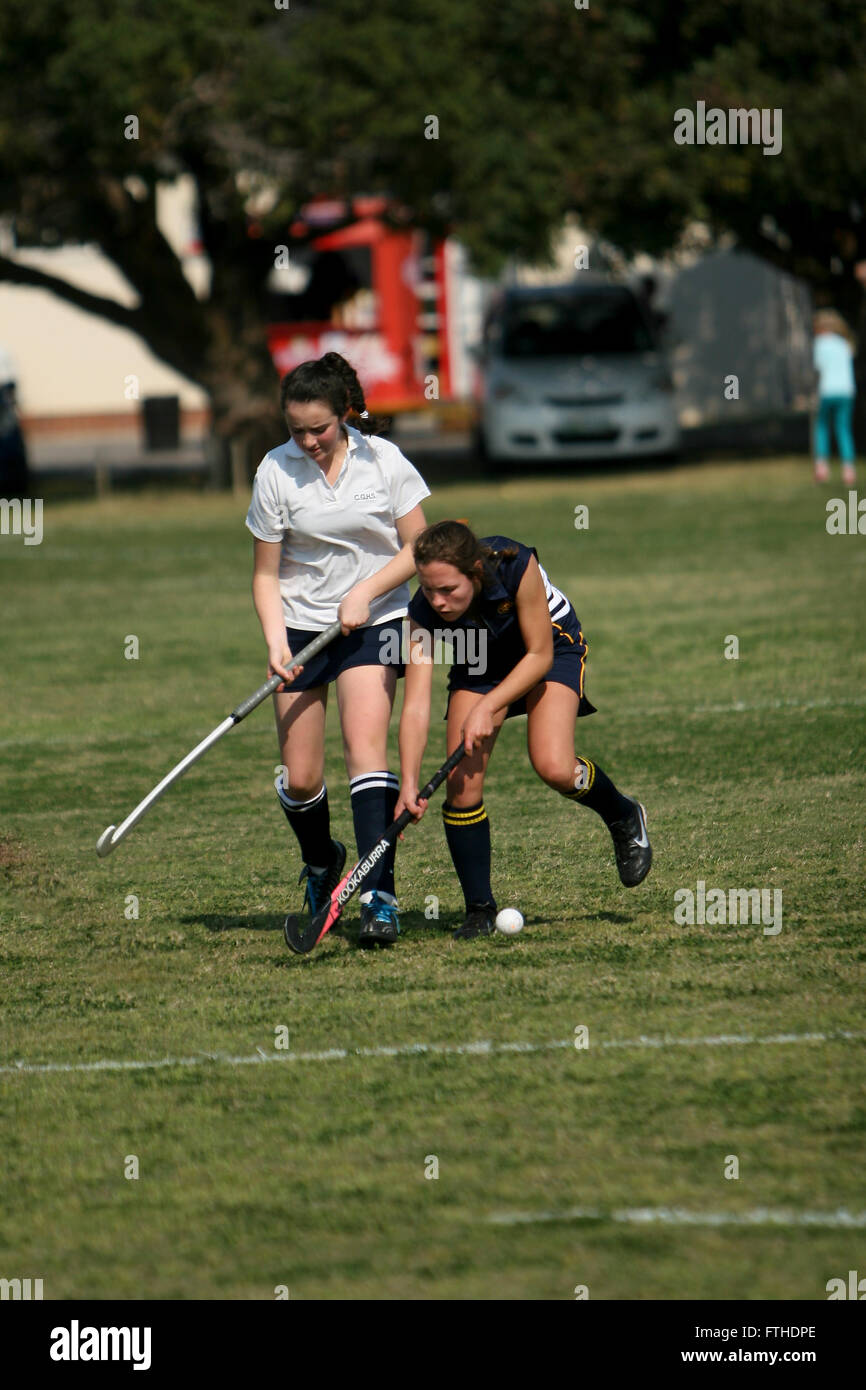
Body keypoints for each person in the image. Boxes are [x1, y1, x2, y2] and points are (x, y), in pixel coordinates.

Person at [245, 352, 430, 946]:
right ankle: (323, 860)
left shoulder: (383, 461)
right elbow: (266, 575)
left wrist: (367, 591)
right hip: (301, 628)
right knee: (300, 778)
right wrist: (277, 642)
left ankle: (379, 897)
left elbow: (419, 546)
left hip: (376, 621)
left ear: (344, 414)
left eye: (319, 429)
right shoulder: (276, 470)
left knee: (364, 753)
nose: (308, 441)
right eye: (296, 430)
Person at [395, 521, 652, 939]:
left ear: (475, 571)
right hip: (479, 660)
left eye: (449, 590)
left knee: (553, 765)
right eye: (428, 590)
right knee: (461, 784)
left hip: (547, 646)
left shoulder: (515, 565)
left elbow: (538, 656)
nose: (438, 602)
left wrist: (488, 706)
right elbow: (416, 705)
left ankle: (623, 814)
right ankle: (479, 910)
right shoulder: (421, 614)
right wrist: (408, 783)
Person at [812, 309, 857, 486]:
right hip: (846, 391)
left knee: (822, 426)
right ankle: (848, 469)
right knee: (843, 429)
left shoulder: (819, 344)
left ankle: (821, 466)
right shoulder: (845, 344)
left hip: (825, 390)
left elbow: (816, 368)